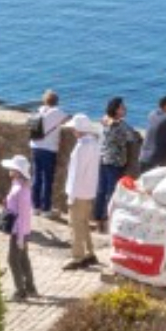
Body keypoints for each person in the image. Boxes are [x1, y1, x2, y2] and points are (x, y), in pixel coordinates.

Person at [59, 108, 106, 270]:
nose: (72, 131)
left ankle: (77, 256)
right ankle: (90, 253)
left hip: (78, 192)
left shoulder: (81, 147)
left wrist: (71, 195)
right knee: (84, 223)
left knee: (75, 225)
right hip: (89, 191)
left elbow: (75, 173)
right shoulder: (94, 144)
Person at [94, 97, 141, 228]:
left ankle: (98, 219)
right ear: (116, 110)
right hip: (115, 162)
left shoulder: (104, 121)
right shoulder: (121, 126)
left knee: (101, 191)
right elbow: (133, 137)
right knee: (112, 192)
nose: (125, 109)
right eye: (122, 107)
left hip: (103, 159)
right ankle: (109, 220)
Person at [0, 155, 38, 301]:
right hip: (21, 230)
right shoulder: (19, 185)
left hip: (19, 231)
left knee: (13, 260)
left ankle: (20, 290)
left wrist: (21, 238)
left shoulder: (21, 189)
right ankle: (30, 287)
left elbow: (23, 214)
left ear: (18, 171)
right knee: (23, 258)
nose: (10, 170)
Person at [27, 90, 68, 216]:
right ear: (57, 101)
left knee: (36, 177)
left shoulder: (38, 110)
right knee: (47, 179)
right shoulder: (57, 112)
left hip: (35, 146)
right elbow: (68, 119)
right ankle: (46, 209)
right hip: (49, 149)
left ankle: (35, 206)